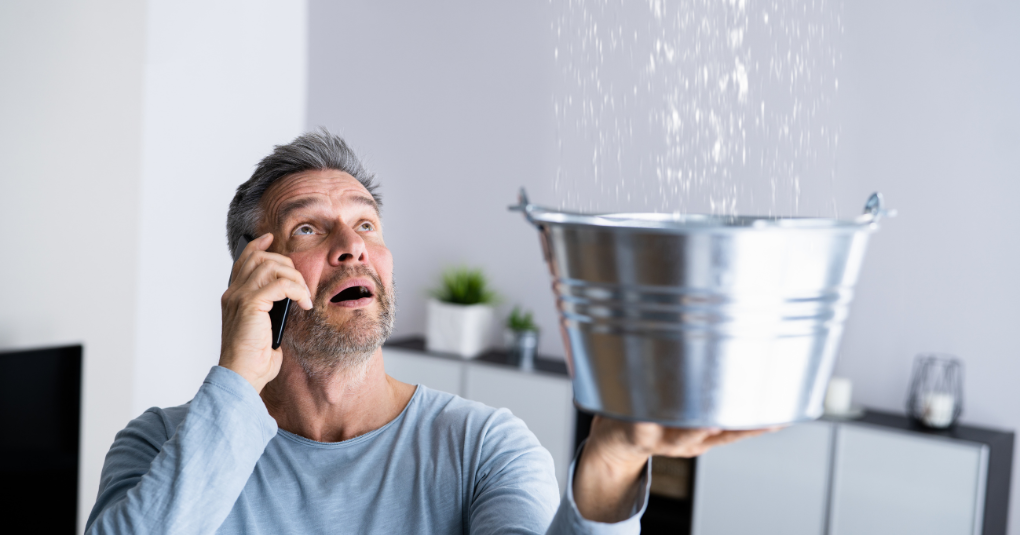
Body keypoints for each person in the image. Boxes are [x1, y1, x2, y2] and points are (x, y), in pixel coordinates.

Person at [86, 130, 767, 534]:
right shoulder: (160, 445)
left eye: (367, 223)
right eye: (308, 228)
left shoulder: (482, 447)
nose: (352, 245)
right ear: (252, 273)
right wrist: (236, 381)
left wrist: (611, 461)